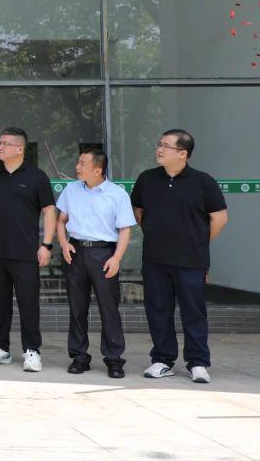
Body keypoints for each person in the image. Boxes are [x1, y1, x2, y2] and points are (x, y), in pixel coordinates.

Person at [130, 129, 228, 385]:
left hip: (191, 261)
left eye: (166, 146)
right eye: (159, 144)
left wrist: (197, 242)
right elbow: (139, 212)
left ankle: (198, 362)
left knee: (193, 312)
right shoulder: (147, 179)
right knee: (157, 310)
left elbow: (219, 218)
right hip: (155, 259)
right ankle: (162, 360)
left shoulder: (203, 182)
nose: (159, 149)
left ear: (183, 153)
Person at [0, 127, 56, 374]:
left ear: (20, 148)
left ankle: (32, 351)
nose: (0, 147)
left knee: (28, 304)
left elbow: (49, 211)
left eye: (6, 143)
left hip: (26, 252)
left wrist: (47, 244)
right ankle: (1, 348)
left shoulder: (36, 177)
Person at [56, 149, 136, 379]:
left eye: (83, 163)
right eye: (78, 162)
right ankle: (79, 357)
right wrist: (63, 243)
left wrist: (116, 258)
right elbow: (61, 220)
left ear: (98, 170)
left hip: (104, 254)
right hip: (75, 252)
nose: (77, 167)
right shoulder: (71, 190)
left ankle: (114, 359)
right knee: (77, 308)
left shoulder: (117, 194)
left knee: (108, 308)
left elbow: (125, 229)